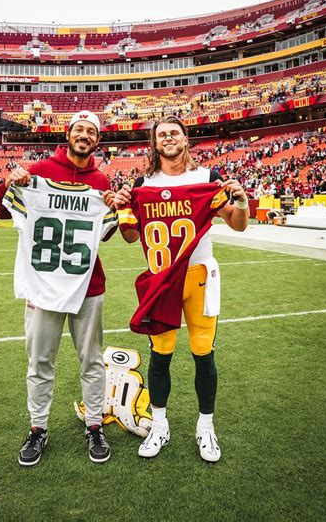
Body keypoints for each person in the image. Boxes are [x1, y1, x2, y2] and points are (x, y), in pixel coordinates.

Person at [114, 116, 249, 462]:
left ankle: (206, 427)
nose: (169, 138)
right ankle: (160, 425)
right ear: (155, 143)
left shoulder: (207, 179)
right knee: (161, 355)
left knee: (204, 353)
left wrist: (243, 202)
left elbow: (237, 224)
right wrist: (121, 207)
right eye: (162, 135)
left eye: (174, 132)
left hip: (200, 276)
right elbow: (131, 236)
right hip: (162, 279)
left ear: (185, 138)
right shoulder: (143, 183)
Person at [0, 111, 117, 467]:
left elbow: (105, 234)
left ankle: (94, 424)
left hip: (87, 285)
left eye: (91, 131)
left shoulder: (101, 181)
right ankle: (38, 428)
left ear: (97, 140)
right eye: (79, 129)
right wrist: (11, 182)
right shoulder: (38, 173)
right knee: (39, 361)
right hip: (43, 283)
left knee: (92, 360)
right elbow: (4, 214)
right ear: (68, 134)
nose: (84, 135)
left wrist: (112, 206)